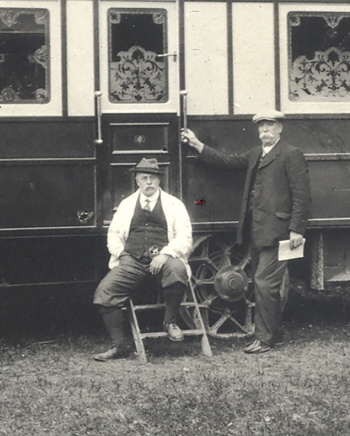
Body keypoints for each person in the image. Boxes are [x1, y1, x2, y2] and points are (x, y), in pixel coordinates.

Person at [181, 109, 311, 354]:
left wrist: (296, 231)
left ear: (280, 129)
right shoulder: (256, 154)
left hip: (280, 232)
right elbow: (227, 162)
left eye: (270, 126)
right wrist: (198, 144)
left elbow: (302, 197)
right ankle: (274, 336)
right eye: (261, 127)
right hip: (258, 231)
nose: (265, 131)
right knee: (265, 285)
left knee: (264, 283)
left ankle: (265, 340)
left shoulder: (291, 155)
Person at [92, 157, 193, 361]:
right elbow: (113, 234)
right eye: (144, 178)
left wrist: (165, 254)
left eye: (153, 178)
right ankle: (120, 345)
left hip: (163, 257)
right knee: (105, 291)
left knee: (177, 271)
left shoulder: (174, 204)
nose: (149, 182)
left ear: (159, 181)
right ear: (137, 181)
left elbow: (185, 236)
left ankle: (170, 322)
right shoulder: (126, 204)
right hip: (133, 260)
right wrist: (121, 254)